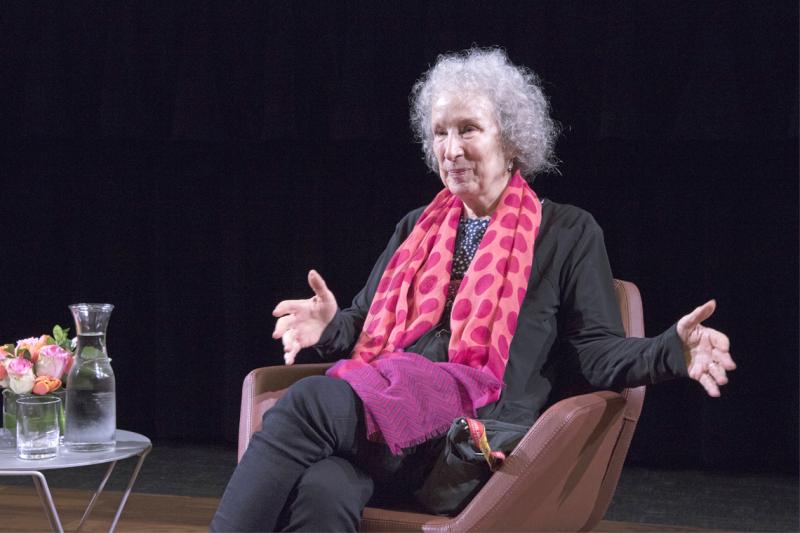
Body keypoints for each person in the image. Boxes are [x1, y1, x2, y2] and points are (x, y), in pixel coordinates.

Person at [210, 47, 735, 532]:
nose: (451, 149)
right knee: (323, 491)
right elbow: (364, 324)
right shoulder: (416, 226)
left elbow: (597, 353)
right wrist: (330, 327)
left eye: (468, 130)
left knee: (306, 402)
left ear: (510, 140)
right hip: (386, 427)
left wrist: (672, 349)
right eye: (440, 133)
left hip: (464, 440)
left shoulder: (567, 232)